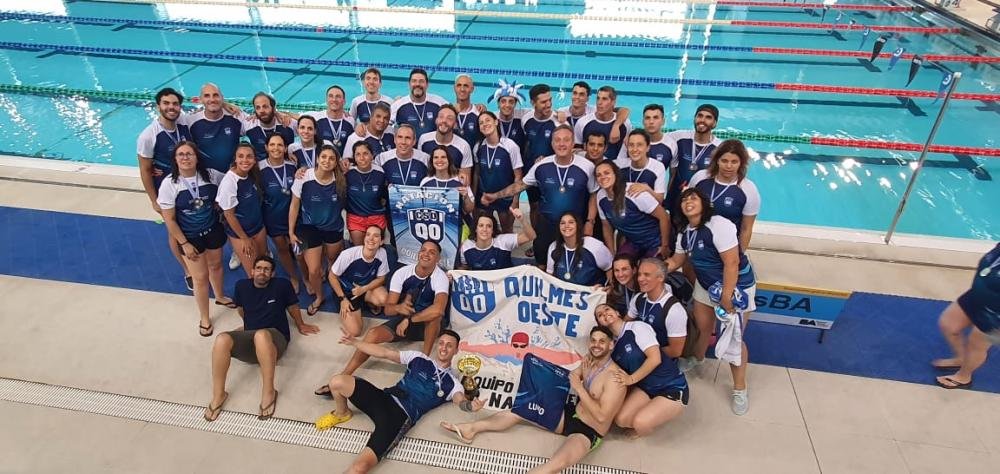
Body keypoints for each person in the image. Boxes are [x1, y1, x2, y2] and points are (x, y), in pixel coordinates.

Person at [439, 326, 627, 473]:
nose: (596, 345)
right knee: (520, 409)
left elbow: (602, 417)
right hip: (570, 414)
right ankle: (471, 429)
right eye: (593, 340)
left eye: (602, 341)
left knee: (556, 464)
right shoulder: (590, 360)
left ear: (611, 345)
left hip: (588, 431)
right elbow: (570, 376)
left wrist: (579, 388)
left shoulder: (615, 379)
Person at [315, 328, 484, 474]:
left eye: (449, 346)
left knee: (359, 468)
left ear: (456, 350)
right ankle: (342, 413)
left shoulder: (452, 384)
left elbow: (460, 401)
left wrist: (470, 406)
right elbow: (384, 353)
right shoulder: (418, 358)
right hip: (384, 398)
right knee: (337, 381)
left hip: (399, 417)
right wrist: (355, 342)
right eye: (441, 343)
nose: (443, 348)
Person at [665, 187, 756, 415]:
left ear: (704, 203)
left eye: (693, 197)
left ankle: (739, 389)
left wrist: (726, 296)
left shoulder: (719, 224)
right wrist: (652, 271)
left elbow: (732, 263)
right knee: (702, 325)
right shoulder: (685, 233)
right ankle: (697, 357)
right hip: (707, 285)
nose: (688, 202)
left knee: (735, 339)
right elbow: (676, 260)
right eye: (684, 199)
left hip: (736, 287)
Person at [203, 256, 319, 422]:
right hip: (253, 338)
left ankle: (269, 392)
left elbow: (292, 307)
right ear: (252, 271)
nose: (261, 272)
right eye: (258, 268)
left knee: (261, 335)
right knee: (222, 338)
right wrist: (246, 327)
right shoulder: (242, 286)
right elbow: (241, 310)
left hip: (275, 339)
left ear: (272, 274)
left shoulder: (281, 285)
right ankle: (218, 395)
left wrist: (301, 324)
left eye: (266, 269)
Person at [481, 125, 598, 267]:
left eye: (566, 140)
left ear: (573, 143)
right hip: (546, 224)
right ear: (552, 143)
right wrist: (495, 196)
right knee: (542, 262)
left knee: (574, 263)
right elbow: (520, 185)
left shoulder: (587, 166)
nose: (562, 144)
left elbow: (593, 195)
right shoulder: (542, 166)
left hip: (574, 225)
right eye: (557, 140)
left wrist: (589, 222)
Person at [338, 241, 450, 377]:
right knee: (373, 333)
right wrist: (398, 307)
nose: (426, 254)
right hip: (405, 321)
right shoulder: (402, 273)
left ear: (438, 259)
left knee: (435, 317)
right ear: (418, 253)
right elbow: (388, 310)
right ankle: (345, 374)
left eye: (432, 252)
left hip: (428, 324)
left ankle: (424, 359)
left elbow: (438, 310)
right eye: (423, 250)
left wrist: (410, 320)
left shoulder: (440, 277)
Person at [157, 141, 234, 337]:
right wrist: (184, 243)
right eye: (181, 154)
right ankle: (205, 317)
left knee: (216, 266)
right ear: (175, 159)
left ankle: (219, 296)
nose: (185, 158)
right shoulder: (170, 184)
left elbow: (231, 181)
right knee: (200, 279)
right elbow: (170, 220)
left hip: (212, 230)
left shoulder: (210, 175)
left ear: (196, 157)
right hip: (190, 237)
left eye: (189, 154)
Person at [595, 303, 688, 437]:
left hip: (672, 386)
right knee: (621, 420)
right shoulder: (612, 346)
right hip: (646, 387)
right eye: (600, 315)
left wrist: (631, 379)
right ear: (600, 324)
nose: (604, 314)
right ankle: (652, 409)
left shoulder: (637, 327)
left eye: (607, 309)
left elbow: (655, 359)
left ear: (617, 312)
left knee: (640, 423)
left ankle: (657, 414)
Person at [137, 87, 193, 290]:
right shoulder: (148, 136)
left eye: (175, 104)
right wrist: (153, 200)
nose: (171, 107)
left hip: (189, 185)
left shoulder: (184, 123)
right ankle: (187, 270)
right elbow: (144, 170)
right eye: (166, 103)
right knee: (174, 230)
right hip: (166, 190)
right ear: (158, 106)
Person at [289, 144, 348, 316]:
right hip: (309, 228)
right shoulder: (304, 176)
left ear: (336, 161)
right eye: (323, 157)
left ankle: (332, 281)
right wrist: (291, 232)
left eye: (331, 158)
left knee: (332, 261)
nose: (327, 161)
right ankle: (319, 297)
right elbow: (294, 206)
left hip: (333, 227)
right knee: (314, 269)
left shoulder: (341, 180)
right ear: (317, 158)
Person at [933, 242, 1000, 389]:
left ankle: (964, 376)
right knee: (948, 325)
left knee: (976, 345)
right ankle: (961, 358)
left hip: (996, 316)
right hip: (976, 297)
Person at [689, 139, 760, 252]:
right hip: (697, 241)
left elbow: (746, 228)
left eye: (734, 162)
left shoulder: (748, 190)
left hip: (726, 247)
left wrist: (739, 255)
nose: (728, 166)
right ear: (717, 160)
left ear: (741, 163)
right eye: (724, 161)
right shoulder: (700, 178)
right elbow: (688, 208)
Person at [595, 160, 671, 259]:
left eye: (607, 173)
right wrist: (612, 253)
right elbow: (606, 226)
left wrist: (665, 246)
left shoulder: (633, 192)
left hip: (655, 241)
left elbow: (664, 216)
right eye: (599, 175)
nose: (603, 177)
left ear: (616, 174)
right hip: (633, 242)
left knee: (648, 269)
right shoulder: (600, 197)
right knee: (621, 265)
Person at [258, 133, 305, 293]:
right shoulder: (259, 168)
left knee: (300, 251)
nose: (276, 148)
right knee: (283, 249)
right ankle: (293, 276)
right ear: (266, 147)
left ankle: (306, 276)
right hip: (273, 217)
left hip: (296, 218)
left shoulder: (293, 166)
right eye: (272, 145)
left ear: (285, 148)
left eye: (279, 145)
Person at [329, 225, 391, 337]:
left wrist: (364, 289)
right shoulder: (348, 255)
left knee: (384, 299)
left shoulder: (382, 253)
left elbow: (381, 278)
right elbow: (332, 276)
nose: (371, 239)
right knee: (355, 332)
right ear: (364, 238)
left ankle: (366, 302)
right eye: (368, 235)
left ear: (381, 241)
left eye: (376, 236)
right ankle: (349, 306)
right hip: (347, 293)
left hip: (365, 289)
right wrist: (342, 298)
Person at [217, 144, 268, 276]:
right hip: (242, 235)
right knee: (254, 273)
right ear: (235, 159)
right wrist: (244, 238)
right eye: (241, 156)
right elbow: (229, 215)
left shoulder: (251, 174)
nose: (245, 160)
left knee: (265, 263)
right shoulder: (230, 182)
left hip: (258, 228)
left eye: (249, 156)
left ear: (255, 159)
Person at [664, 104, 722, 213]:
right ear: (695, 118)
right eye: (700, 116)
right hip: (675, 199)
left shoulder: (719, 148)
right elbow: (656, 138)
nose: (702, 120)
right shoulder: (679, 137)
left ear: (714, 123)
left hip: (700, 204)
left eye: (708, 117)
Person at [474, 111, 524, 233]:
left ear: (496, 122)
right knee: (483, 231)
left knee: (507, 230)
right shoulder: (478, 147)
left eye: (487, 120)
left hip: (505, 199)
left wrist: (515, 200)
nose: (485, 124)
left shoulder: (510, 146)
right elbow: (476, 174)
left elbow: (518, 176)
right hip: (484, 197)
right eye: (481, 123)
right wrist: (474, 198)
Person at [179, 83, 244, 174]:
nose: (212, 99)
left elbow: (258, 126)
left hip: (231, 176)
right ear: (201, 99)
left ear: (222, 97)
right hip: (205, 179)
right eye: (207, 96)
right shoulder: (190, 121)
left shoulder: (236, 116)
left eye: (216, 95)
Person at [547, 212, 612, 287]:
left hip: (591, 295)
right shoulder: (553, 247)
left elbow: (609, 268)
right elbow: (549, 277)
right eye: (562, 223)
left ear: (578, 225)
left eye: (571, 222)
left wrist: (609, 287)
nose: (566, 226)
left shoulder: (593, 245)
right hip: (565, 296)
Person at [460, 209, 535, 271]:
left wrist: (522, 220)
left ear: (493, 230)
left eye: (489, 226)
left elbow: (531, 236)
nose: (484, 229)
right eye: (481, 225)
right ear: (475, 229)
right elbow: (464, 267)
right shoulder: (467, 246)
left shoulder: (503, 241)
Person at [345, 142, 389, 245]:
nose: (362, 158)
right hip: (356, 218)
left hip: (376, 217)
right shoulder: (348, 173)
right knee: (359, 251)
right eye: (358, 154)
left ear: (371, 155)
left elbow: (384, 195)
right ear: (354, 157)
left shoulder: (380, 173)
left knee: (375, 250)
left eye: (365, 153)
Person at [418, 104, 474, 184]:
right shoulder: (424, 139)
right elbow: (421, 168)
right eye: (441, 117)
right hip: (428, 190)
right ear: (436, 120)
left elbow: (466, 180)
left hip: (452, 192)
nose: (444, 121)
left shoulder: (463, 146)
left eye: (449, 118)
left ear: (455, 124)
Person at [572, 86, 632, 160]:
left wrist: (616, 126)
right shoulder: (583, 122)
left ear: (613, 102)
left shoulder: (625, 123)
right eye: (598, 98)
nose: (599, 103)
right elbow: (576, 150)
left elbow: (627, 150)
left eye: (604, 99)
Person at [614, 129, 667, 203]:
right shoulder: (618, 165)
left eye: (639, 145)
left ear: (648, 147)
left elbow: (660, 200)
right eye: (631, 145)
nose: (634, 149)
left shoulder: (657, 167)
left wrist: (646, 189)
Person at [391, 67, 447, 137]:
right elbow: (386, 125)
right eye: (414, 81)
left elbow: (453, 114)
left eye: (421, 81)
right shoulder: (398, 105)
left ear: (427, 84)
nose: (417, 84)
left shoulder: (438, 102)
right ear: (409, 84)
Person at [421, 145, 476, 215]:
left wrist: (466, 197)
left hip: (455, 224)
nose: (439, 160)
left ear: (449, 160)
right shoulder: (425, 182)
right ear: (432, 161)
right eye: (436, 157)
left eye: (443, 157)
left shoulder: (461, 180)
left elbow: (469, 209)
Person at [243, 92, 295, 161]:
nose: (261, 111)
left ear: (273, 108)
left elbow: (311, 120)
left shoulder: (287, 123)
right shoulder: (249, 125)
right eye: (258, 108)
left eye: (265, 106)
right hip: (260, 170)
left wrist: (288, 114)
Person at [310, 85, 355, 157]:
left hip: (342, 165)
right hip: (323, 164)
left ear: (344, 101)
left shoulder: (350, 120)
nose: (334, 99)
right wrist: (285, 116)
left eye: (338, 96)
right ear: (326, 100)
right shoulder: (315, 117)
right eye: (331, 96)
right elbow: (295, 117)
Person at [638, 104, 672, 168]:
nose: (651, 122)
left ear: (663, 121)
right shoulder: (632, 141)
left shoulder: (671, 145)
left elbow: (672, 173)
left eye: (655, 117)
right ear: (643, 121)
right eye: (647, 118)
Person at [452, 73, 481, 145]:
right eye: (459, 85)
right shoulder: (447, 112)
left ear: (472, 89)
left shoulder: (478, 113)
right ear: (454, 88)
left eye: (466, 86)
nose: (462, 89)